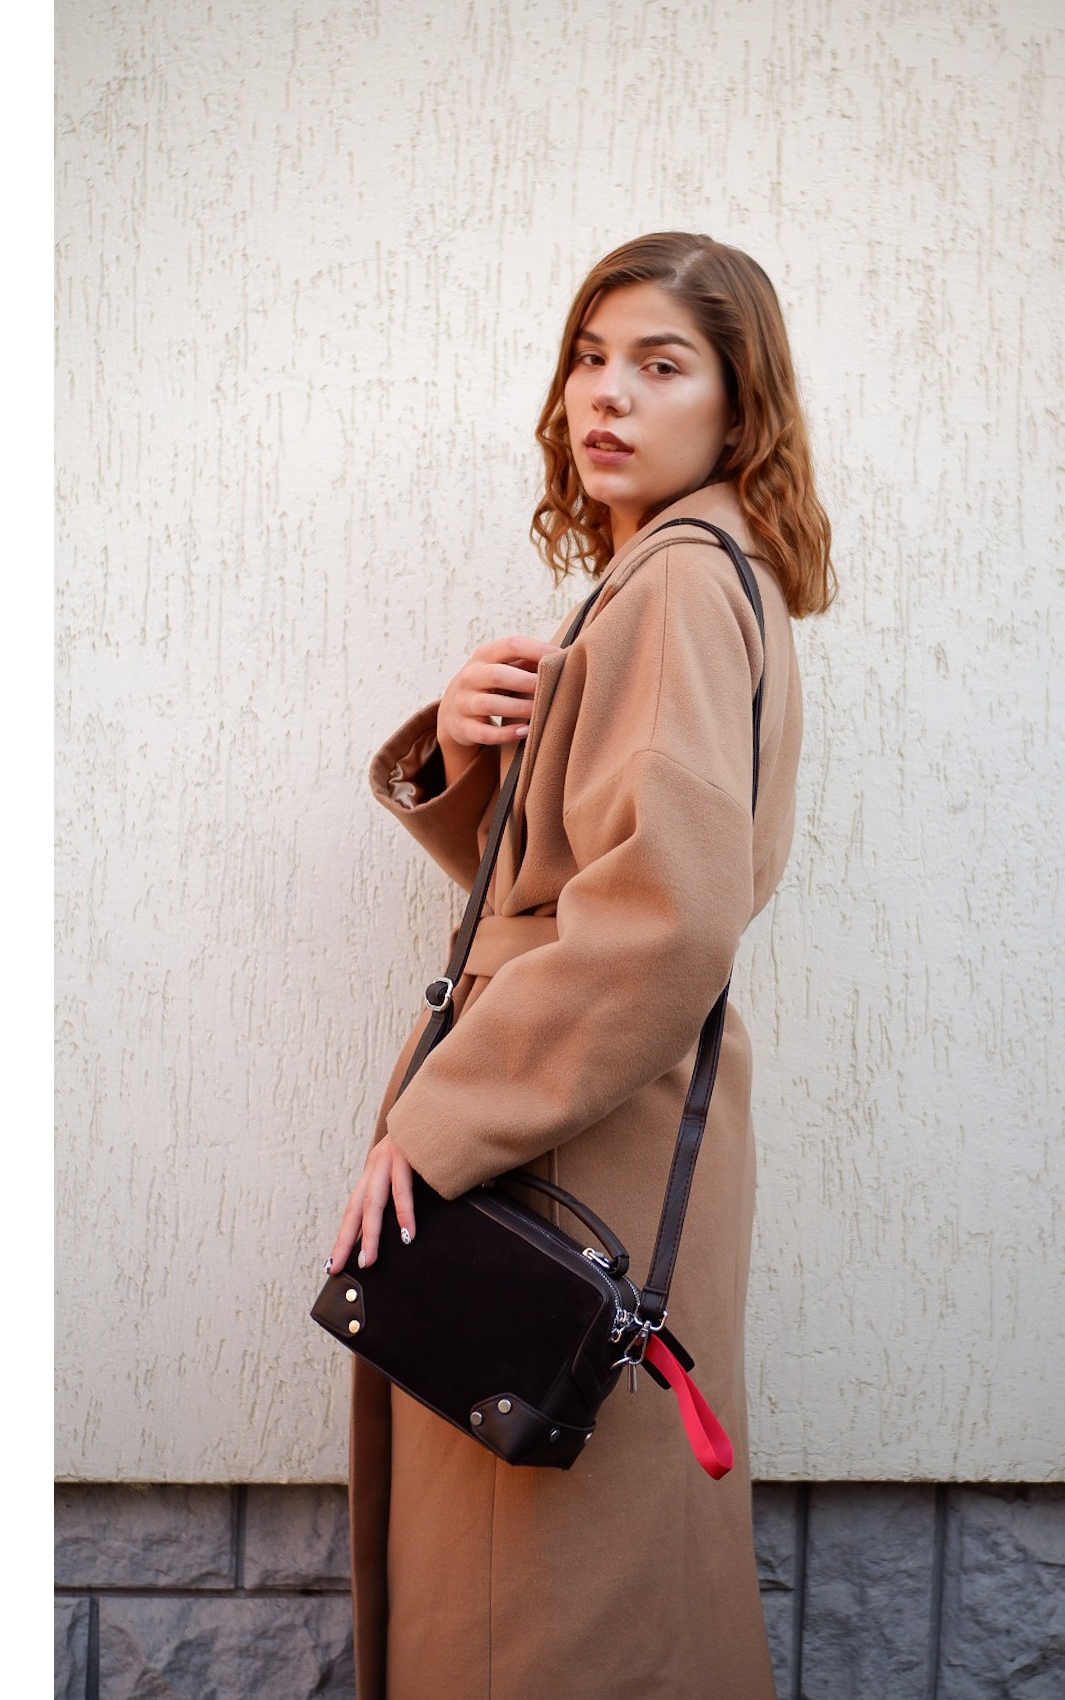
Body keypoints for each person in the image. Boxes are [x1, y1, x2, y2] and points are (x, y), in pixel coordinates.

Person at [326, 231, 836, 1700]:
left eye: (660, 366)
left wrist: (439, 1125)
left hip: (562, 1145)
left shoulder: (676, 581)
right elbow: (583, 888)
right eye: (588, 359)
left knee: (540, 1607)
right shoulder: (685, 575)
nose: (605, 394)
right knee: (585, 1579)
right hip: (584, 1121)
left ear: (739, 410)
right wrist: (475, 757)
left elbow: (659, 920)